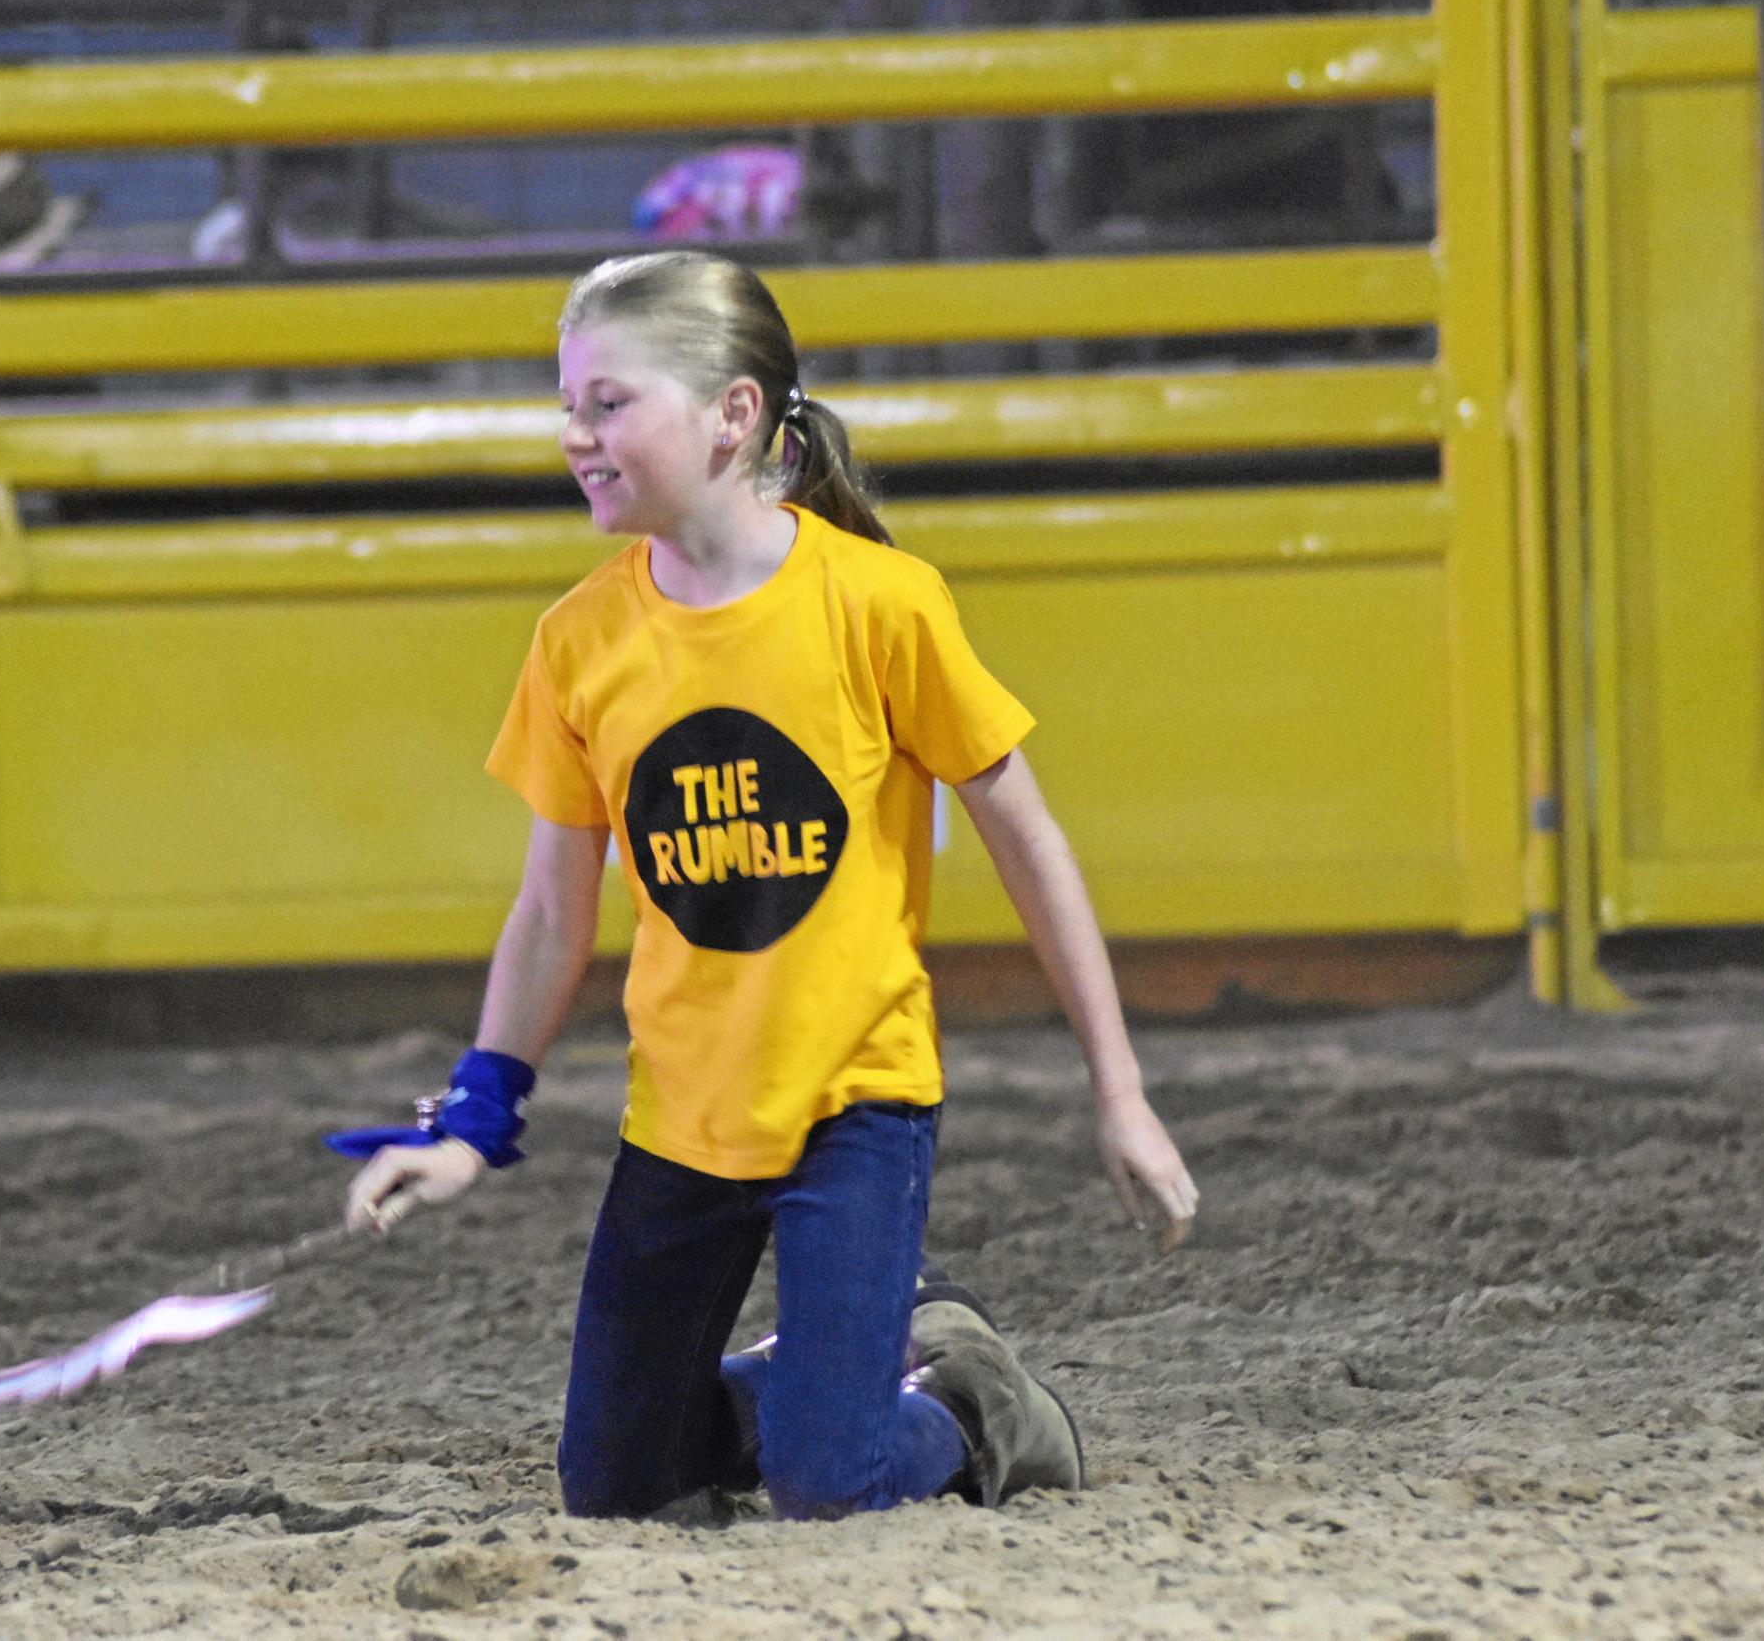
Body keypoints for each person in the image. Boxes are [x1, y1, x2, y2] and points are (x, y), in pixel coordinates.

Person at [330, 249, 1199, 1522]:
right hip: (681, 1116)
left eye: (609, 403)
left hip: (856, 1104)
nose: (574, 434)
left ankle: (969, 1402)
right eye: (569, 403)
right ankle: (816, 1379)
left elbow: (1029, 843)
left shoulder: (879, 605)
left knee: (827, 1481)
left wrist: (1120, 1097)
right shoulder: (578, 641)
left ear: (735, 414)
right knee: (618, 1484)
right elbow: (550, 912)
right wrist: (473, 1116)